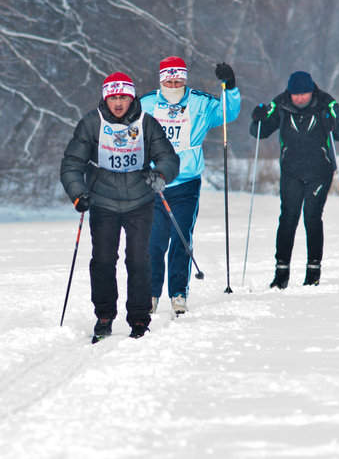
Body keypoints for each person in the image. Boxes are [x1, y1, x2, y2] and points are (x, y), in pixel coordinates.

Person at [60, 72, 179, 342]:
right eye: (113, 97)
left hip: (140, 200)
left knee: (138, 260)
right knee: (103, 260)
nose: (118, 102)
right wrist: (78, 193)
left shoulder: (147, 123)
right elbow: (71, 164)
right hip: (102, 201)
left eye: (123, 96)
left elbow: (168, 157)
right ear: (105, 97)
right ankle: (104, 316)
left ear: (131, 97)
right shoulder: (92, 123)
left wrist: (160, 175)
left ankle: (139, 317)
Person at [140, 57, 241, 315]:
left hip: (186, 183)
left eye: (178, 80)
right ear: (161, 80)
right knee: (154, 242)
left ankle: (178, 294)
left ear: (185, 79)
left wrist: (230, 85)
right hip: (155, 183)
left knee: (182, 239)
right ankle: (150, 294)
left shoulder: (200, 102)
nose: (173, 84)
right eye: (169, 80)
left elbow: (228, 114)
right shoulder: (147, 103)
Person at [249, 71, 339, 289]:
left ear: (311, 91)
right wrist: (257, 118)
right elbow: (259, 133)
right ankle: (281, 273)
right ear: (290, 93)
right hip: (291, 171)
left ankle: (313, 273)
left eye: (304, 94)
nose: (300, 98)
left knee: (312, 218)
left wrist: (335, 118)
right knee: (288, 218)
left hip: (320, 171)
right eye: (296, 95)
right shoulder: (281, 104)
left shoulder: (326, 103)